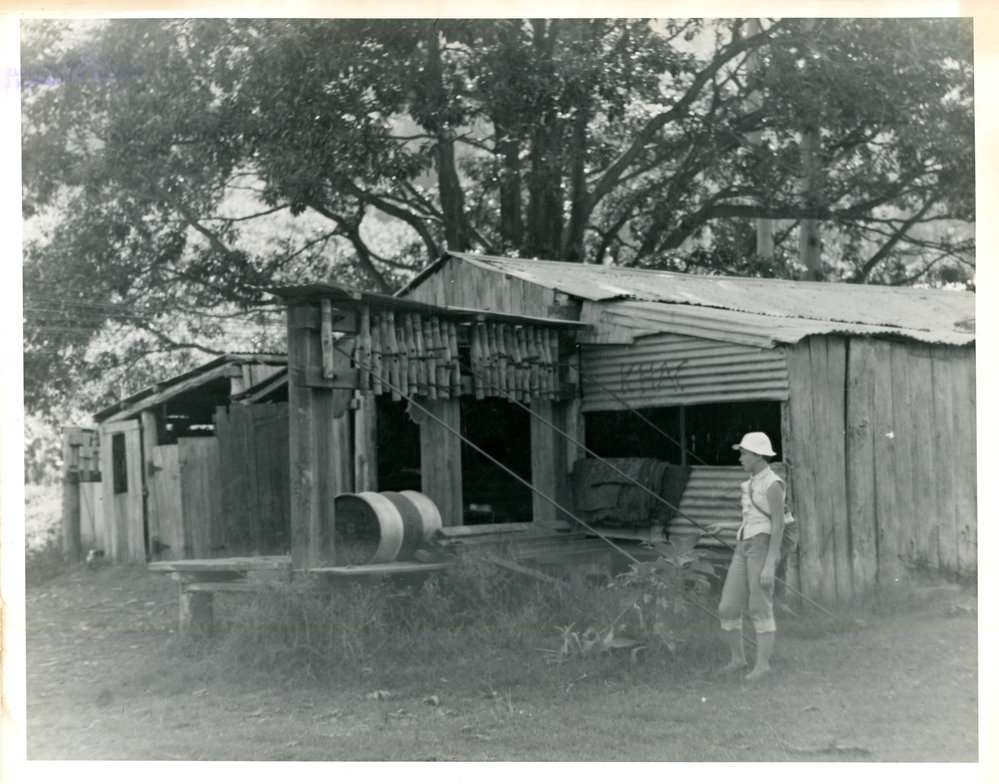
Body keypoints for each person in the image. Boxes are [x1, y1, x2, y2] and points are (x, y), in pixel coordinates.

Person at [709, 432, 786, 681]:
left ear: (758, 456)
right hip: (743, 546)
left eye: (744, 454)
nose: (740, 458)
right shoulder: (751, 483)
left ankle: (762, 666)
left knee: (759, 606)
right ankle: (738, 660)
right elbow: (753, 520)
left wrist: (769, 564)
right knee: (728, 607)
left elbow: (778, 525)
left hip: (762, 548)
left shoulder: (773, 484)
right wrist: (725, 526)